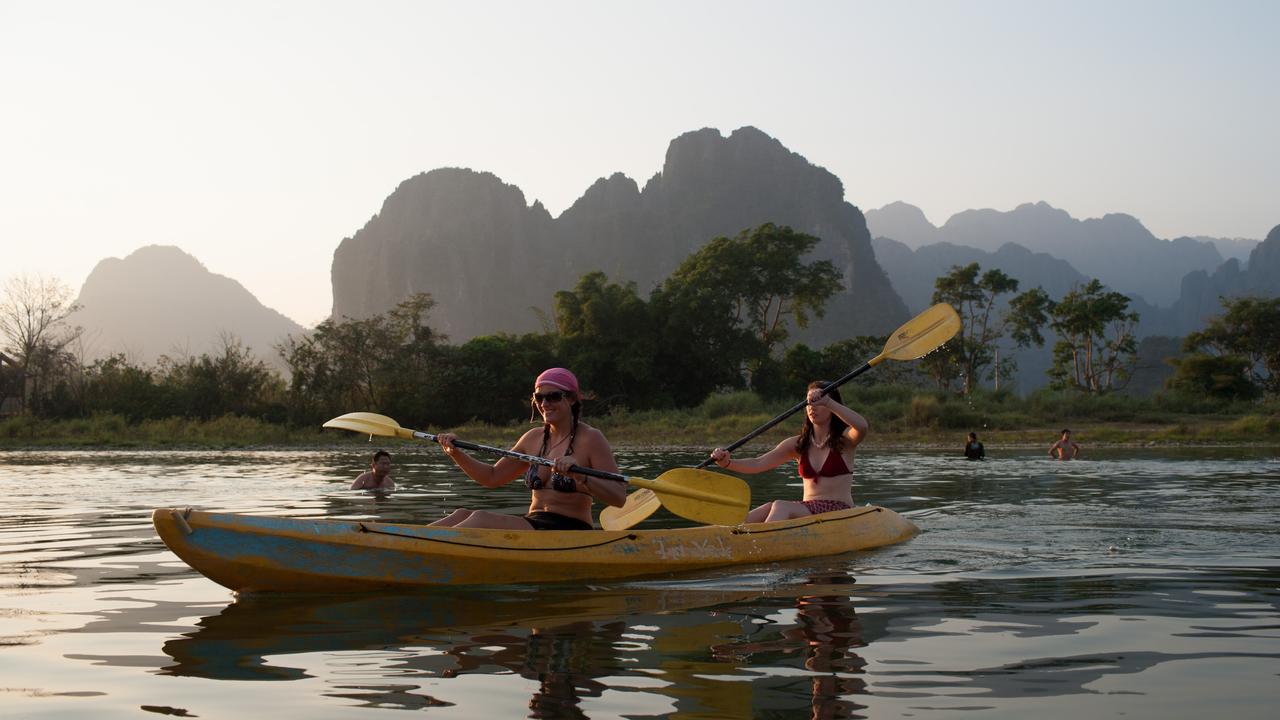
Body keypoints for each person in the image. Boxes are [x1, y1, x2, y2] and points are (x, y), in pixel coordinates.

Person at [431, 368, 626, 530]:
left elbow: (619, 497)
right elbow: (491, 477)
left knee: (481, 519)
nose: (545, 404)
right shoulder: (532, 438)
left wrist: (581, 476)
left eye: (553, 397)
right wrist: (455, 452)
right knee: (462, 514)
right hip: (534, 523)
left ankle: (432, 549)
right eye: (539, 397)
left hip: (570, 529)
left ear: (572, 399)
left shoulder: (591, 438)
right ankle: (415, 542)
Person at [709, 381, 868, 523]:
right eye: (809, 402)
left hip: (839, 511)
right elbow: (758, 463)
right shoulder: (797, 444)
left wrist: (827, 401)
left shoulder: (845, 440)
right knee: (767, 508)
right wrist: (727, 463)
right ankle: (725, 534)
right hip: (809, 511)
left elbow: (862, 427)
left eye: (818, 402)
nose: (812, 406)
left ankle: (764, 541)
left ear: (832, 405)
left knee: (781, 506)